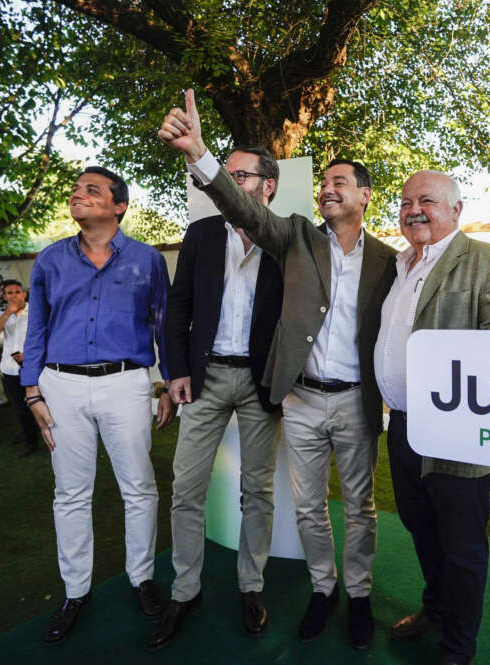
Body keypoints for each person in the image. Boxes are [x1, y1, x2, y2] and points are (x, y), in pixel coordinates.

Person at [160, 90, 397, 649]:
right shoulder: (295, 237)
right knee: (310, 507)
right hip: (299, 398)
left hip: (354, 401)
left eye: (341, 181)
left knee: (359, 508)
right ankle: (323, 588)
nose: (328, 188)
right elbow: (241, 211)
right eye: (325, 181)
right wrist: (199, 154)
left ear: (365, 195)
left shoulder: (392, 260)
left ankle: (357, 595)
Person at [20, 166, 175, 645]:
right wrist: (32, 390)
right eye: (76, 190)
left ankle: (142, 578)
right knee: (70, 492)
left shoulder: (148, 260)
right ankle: (76, 591)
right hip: (60, 385)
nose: (78, 195)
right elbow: (37, 330)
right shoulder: (48, 260)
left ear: (119, 205)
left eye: (92, 190)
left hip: (126, 383)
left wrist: (167, 382)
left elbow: (163, 325)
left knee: (139, 487)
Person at [375, 170, 490, 665]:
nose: (414, 209)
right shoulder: (398, 265)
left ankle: (458, 647)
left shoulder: (487, 261)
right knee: (419, 527)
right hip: (401, 425)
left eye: (427, 201)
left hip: (457, 430)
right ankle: (435, 609)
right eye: (406, 201)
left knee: (462, 547)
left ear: (457, 211)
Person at [146, 146, 285, 651]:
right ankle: (186, 590)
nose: (229, 180)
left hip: (260, 382)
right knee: (186, 486)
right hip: (203, 380)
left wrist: (288, 377)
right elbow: (178, 304)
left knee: (259, 490)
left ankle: (252, 585)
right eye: (225, 173)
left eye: (240, 174)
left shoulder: (285, 236)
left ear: (267, 185)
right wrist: (175, 370)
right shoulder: (203, 233)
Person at [0, 280, 40, 458]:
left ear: (24, 294)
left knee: (41, 403)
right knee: (20, 407)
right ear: (4, 296)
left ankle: (49, 438)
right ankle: (30, 439)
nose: (14, 296)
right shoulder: (1, 313)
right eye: (9, 293)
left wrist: (31, 356)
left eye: (17, 292)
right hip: (9, 368)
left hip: (33, 365)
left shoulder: (35, 311)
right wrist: (8, 313)